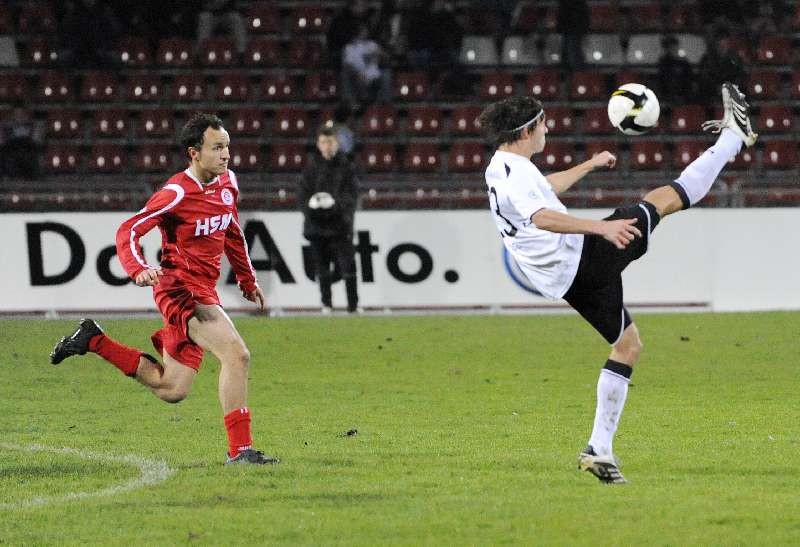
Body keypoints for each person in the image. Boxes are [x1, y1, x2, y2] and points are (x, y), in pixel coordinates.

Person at [478, 83, 757, 484]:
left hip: (564, 278)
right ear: (526, 132)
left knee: (627, 347)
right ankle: (734, 138)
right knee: (665, 199)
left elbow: (544, 190)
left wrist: (588, 165)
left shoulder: (502, 165)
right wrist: (602, 228)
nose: (546, 131)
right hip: (580, 259)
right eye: (542, 125)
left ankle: (599, 451)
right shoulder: (513, 170)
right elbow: (540, 215)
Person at [49, 113, 278, 466]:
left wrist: (247, 279)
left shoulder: (228, 182)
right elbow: (129, 229)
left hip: (205, 289)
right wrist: (137, 268)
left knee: (172, 388)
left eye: (228, 146)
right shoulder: (176, 193)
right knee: (237, 354)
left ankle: (93, 340)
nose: (226, 154)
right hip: (179, 290)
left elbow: (231, 230)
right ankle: (241, 451)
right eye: (217, 148)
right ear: (194, 153)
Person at [299, 124, 360, 314]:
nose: (327, 145)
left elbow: (352, 196)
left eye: (330, 141)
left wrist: (335, 208)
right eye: (324, 142)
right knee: (322, 269)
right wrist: (314, 209)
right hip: (317, 227)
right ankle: (326, 304)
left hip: (340, 226)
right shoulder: (310, 170)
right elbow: (302, 197)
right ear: (318, 144)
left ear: (337, 143)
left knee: (348, 267)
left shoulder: (347, 168)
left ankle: (353, 306)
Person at [657, 35, 695, 105]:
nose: (673, 49)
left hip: (683, 96)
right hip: (667, 97)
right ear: (667, 49)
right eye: (671, 47)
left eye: (674, 46)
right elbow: (662, 81)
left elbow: (688, 80)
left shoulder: (684, 63)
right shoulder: (664, 63)